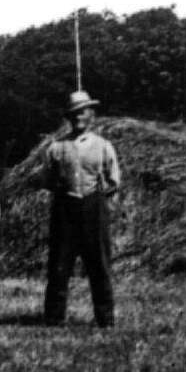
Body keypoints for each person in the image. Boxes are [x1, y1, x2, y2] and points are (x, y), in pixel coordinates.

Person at [42, 90, 121, 328]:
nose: (79, 117)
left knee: (99, 264)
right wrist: (63, 192)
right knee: (59, 265)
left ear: (91, 115)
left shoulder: (103, 146)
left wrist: (101, 201)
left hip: (93, 207)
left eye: (83, 112)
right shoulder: (56, 148)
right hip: (65, 209)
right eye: (74, 113)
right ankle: (54, 319)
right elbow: (47, 180)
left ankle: (105, 319)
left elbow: (114, 179)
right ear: (68, 117)